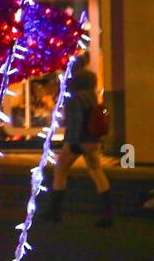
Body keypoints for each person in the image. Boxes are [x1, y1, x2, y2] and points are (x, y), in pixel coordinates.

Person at [44, 56, 113, 227]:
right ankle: (108, 212)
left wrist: (73, 143)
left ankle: (54, 211)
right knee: (96, 171)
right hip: (92, 138)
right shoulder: (90, 91)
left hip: (79, 139)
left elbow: (75, 120)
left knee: (60, 169)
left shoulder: (73, 94)